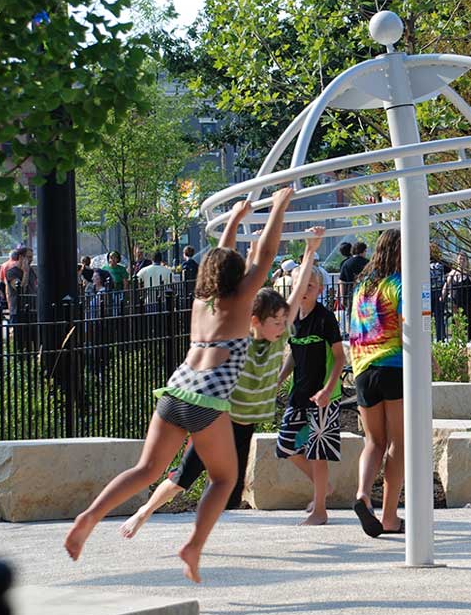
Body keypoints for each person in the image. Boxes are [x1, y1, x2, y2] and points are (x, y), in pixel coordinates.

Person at [64, 187, 295, 583]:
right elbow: (267, 255)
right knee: (225, 479)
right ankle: (193, 546)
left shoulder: (201, 301)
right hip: (207, 397)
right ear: (237, 278)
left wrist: (235, 222)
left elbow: (219, 261)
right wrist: (278, 206)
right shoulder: (240, 302)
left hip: (175, 389)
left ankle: (90, 516)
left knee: (147, 468)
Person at [120, 228, 326, 538]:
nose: (282, 326)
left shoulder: (280, 332)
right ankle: (144, 511)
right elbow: (240, 282)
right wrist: (255, 246)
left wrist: (310, 251)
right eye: (276, 321)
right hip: (217, 418)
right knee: (182, 477)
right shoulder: (238, 334)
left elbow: (295, 293)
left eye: (284, 321)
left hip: (245, 424)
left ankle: (197, 535)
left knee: (228, 490)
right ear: (254, 320)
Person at [276, 261, 346, 527]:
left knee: (318, 452)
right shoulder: (293, 318)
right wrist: (280, 379)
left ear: (320, 289)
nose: (304, 290)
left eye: (310, 285)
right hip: (299, 393)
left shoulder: (325, 318)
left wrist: (328, 390)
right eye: (299, 284)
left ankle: (320, 510)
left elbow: (339, 358)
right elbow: (293, 354)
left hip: (325, 395)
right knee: (285, 445)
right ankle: (322, 487)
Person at [346, 230, 405, 536]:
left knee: (374, 441)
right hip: (394, 366)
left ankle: (362, 494)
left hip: (363, 369)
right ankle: (390, 516)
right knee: (398, 443)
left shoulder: (362, 289)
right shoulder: (399, 284)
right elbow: (411, 325)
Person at [442, 253, 471, 337]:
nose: (462, 261)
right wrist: (442, 296)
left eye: (464, 259)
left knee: (468, 322)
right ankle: (457, 340)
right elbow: (446, 285)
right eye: (460, 259)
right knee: (456, 322)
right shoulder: (452, 273)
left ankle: (469, 339)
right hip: (455, 303)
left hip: (468, 301)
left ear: (467, 261)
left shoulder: (470, 273)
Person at [4, 249, 37, 325]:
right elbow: (21, 290)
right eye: (29, 257)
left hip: (32, 309)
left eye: (32, 257)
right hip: (18, 311)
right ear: (21, 257)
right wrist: (25, 272)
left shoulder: (31, 270)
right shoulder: (11, 273)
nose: (31, 260)